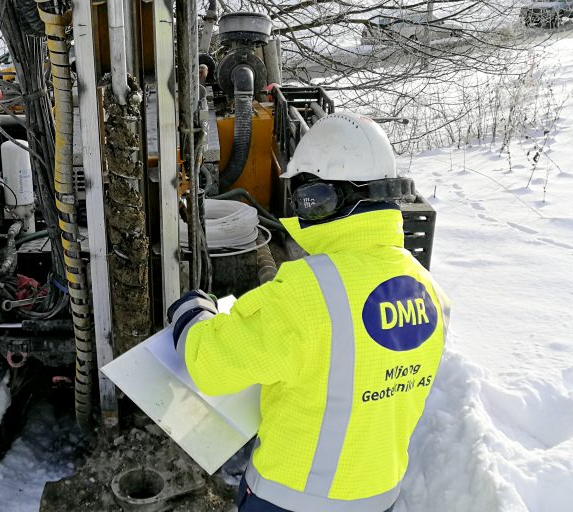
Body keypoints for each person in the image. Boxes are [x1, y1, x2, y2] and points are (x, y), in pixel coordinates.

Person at [167, 112, 450, 512]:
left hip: (290, 500)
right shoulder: (429, 289)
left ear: (324, 201)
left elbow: (211, 366)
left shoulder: (307, 292)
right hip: (380, 498)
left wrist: (192, 314)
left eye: (304, 199)